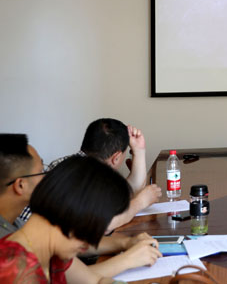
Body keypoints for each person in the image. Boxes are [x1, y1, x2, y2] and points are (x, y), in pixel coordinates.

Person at [0, 134, 162, 280]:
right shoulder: (12, 268)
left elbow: (94, 280)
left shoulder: (50, 246)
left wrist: (127, 243)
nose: (88, 244)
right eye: (90, 231)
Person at [46, 118, 162, 229]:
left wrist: (139, 150)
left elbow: (130, 192)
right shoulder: (92, 176)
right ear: (116, 157)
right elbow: (104, 224)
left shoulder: (64, 164)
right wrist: (140, 202)